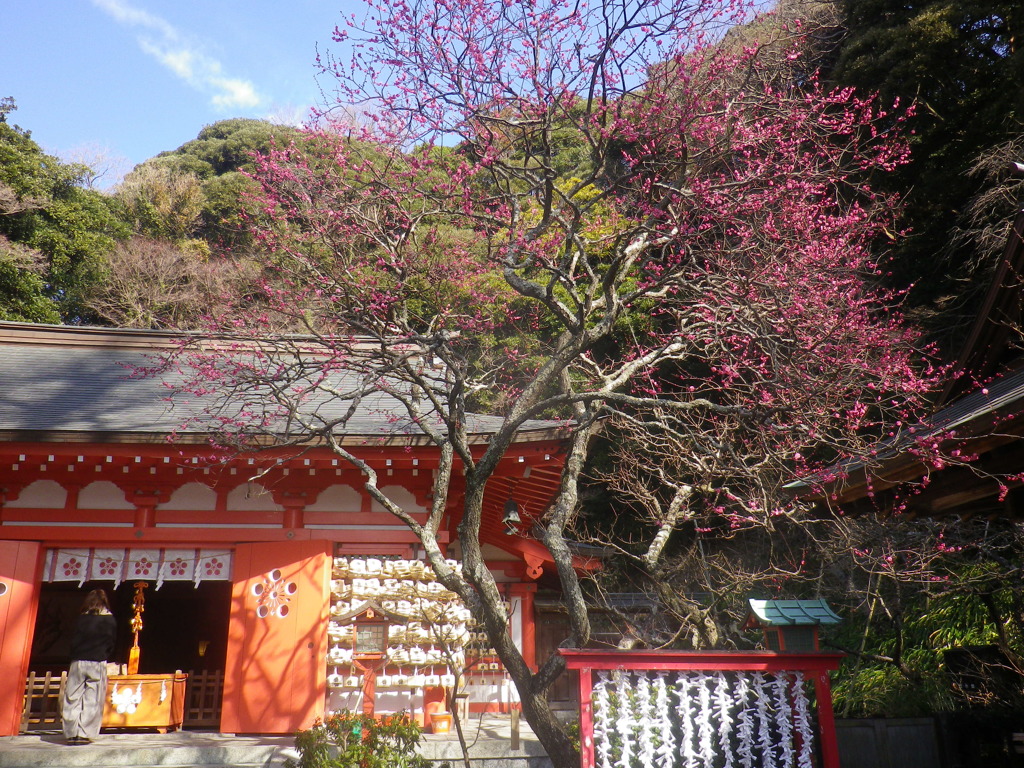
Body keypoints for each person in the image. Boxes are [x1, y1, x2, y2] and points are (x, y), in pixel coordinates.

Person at [61, 589, 117, 745]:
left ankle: (71, 732)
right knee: (92, 697)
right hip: (97, 662)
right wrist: (105, 654)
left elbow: (73, 639)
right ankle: (84, 733)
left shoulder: (81, 619)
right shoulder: (109, 620)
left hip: (78, 660)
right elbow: (111, 642)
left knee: (73, 696)